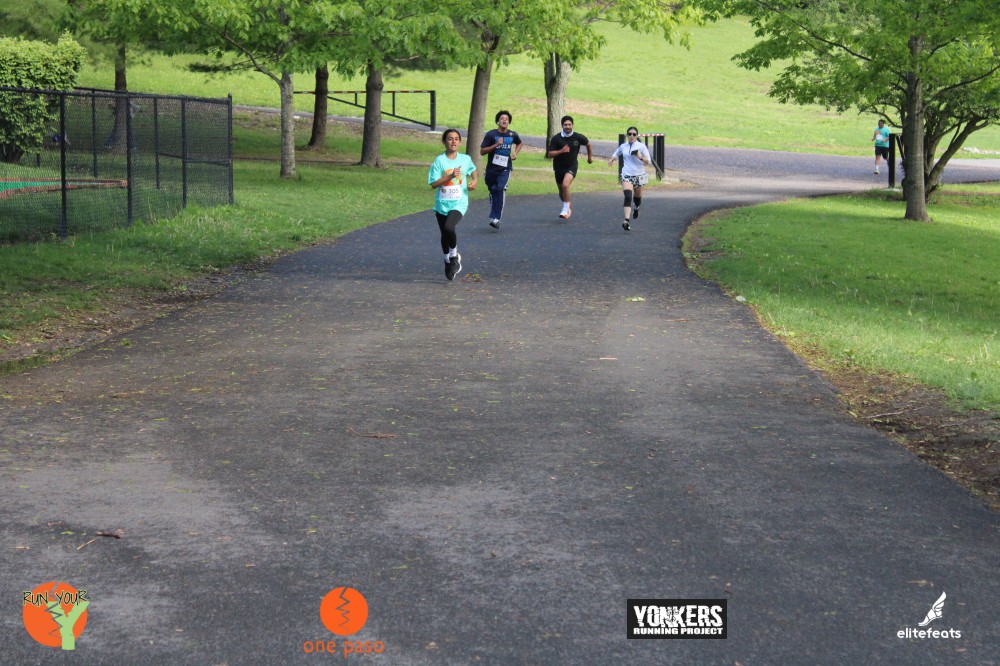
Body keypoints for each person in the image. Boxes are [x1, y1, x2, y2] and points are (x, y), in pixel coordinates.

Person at [428, 129, 477, 281]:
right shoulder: (439, 161)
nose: (453, 141)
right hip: (442, 203)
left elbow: (473, 170)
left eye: (456, 139)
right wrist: (449, 176)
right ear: (445, 142)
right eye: (450, 139)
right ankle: (447, 260)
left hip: (459, 202)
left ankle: (454, 257)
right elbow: (434, 184)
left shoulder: (465, 159)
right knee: (444, 234)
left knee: (449, 227)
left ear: (460, 142)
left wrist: (474, 181)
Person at [479, 110, 523, 231]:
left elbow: (519, 143)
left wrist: (515, 153)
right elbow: (482, 151)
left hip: (505, 168)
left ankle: (496, 219)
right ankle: (493, 194)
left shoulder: (512, 135)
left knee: (500, 188)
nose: (504, 120)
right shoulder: (491, 134)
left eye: (507, 119)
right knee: (493, 189)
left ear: (509, 122)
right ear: (498, 121)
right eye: (502, 118)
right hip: (491, 169)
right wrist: (495, 145)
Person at [546, 115, 593, 219]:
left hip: (572, 166)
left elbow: (588, 144)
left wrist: (589, 158)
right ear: (562, 125)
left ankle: (565, 209)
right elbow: (549, 154)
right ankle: (567, 205)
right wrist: (561, 151)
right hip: (558, 167)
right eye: (565, 125)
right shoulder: (556, 138)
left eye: (569, 124)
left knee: (565, 185)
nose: (567, 127)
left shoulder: (578, 137)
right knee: (561, 191)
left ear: (573, 125)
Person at [608, 127, 652, 231]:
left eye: (634, 134)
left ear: (637, 136)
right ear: (627, 135)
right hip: (627, 174)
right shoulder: (623, 146)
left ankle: (636, 208)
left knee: (637, 197)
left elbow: (648, 161)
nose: (631, 136)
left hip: (639, 175)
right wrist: (612, 159)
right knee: (628, 196)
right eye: (630, 134)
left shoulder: (641, 146)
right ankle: (626, 221)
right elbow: (616, 153)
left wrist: (640, 157)